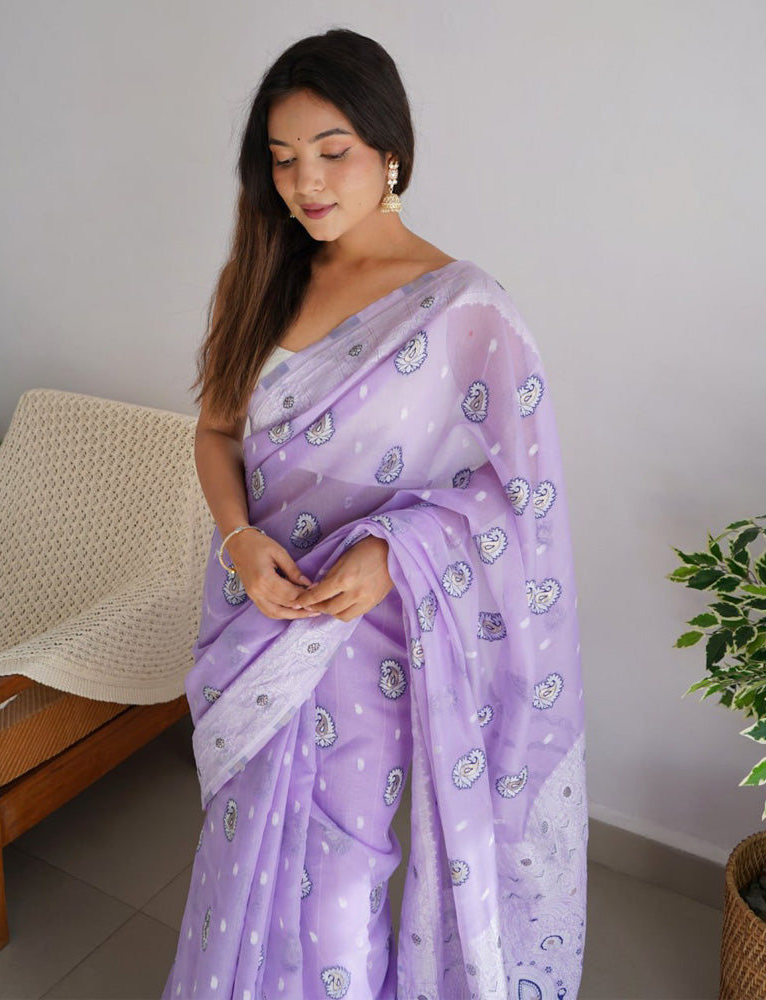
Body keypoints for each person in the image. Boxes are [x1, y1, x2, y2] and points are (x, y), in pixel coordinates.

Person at [163, 28, 587, 1000]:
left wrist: (395, 555)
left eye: (331, 151)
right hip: (258, 620)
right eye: (282, 159)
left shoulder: (463, 309)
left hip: (372, 640)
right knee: (238, 865)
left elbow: (517, 503)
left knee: (339, 891)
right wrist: (240, 538)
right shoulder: (257, 279)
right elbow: (216, 433)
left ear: (390, 151)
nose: (305, 183)